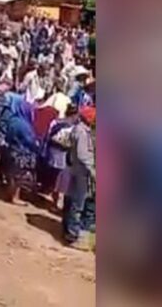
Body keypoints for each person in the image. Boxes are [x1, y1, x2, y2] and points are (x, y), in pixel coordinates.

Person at [62, 106, 96, 251]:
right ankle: (72, 235)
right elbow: (83, 155)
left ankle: (67, 230)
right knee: (77, 203)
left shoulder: (78, 129)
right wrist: (93, 170)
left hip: (76, 170)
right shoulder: (82, 132)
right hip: (82, 172)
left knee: (71, 200)